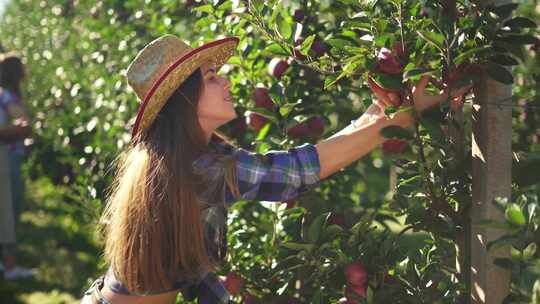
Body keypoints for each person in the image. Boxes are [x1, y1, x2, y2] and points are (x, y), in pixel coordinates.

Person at [81, 35, 471, 304]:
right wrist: (396, 117)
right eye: (212, 78)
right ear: (185, 102)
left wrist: (382, 111)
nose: (227, 81)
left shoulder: (170, 166)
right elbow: (302, 169)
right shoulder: (202, 171)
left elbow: (193, 272)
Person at [0, 52, 34, 280]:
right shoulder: (7, 97)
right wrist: (24, 128)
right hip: (6, 160)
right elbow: (23, 123)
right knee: (9, 209)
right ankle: (10, 267)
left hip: (8, 158)